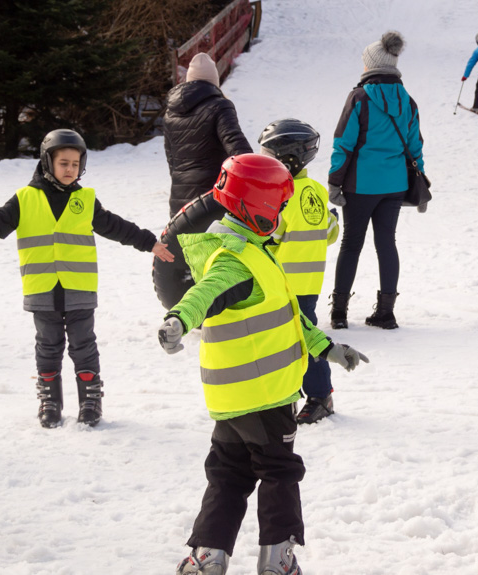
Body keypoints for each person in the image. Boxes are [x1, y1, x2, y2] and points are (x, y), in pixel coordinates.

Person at [159, 154, 368, 575]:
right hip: (266, 396)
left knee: (229, 473)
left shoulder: (254, 252)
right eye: (277, 206)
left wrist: (327, 348)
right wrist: (179, 319)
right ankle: (279, 557)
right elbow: (207, 294)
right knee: (280, 471)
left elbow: (290, 317)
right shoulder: (235, 259)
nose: (279, 215)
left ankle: (208, 556)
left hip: (234, 398)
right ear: (258, 206)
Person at [0, 129, 175, 428]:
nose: (70, 169)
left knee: (83, 344)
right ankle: (49, 401)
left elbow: (115, 226)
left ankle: (91, 400)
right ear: (48, 162)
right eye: (64, 163)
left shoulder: (85, 199)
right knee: (47, 345)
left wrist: (148, 241)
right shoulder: (25, 198)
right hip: (41, 289)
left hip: (79, 288)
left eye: (76, 164)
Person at [328, 31, 425, 330]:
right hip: (394, 186)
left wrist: (334, 182)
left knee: (351, 245)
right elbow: (416, 146)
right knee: (387, 244)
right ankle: (386, 312)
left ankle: (339, 312)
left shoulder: (359, 97)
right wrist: (418, 184)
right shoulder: (408, 101)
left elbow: (343, 142)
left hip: (360, 186)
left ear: (370, 65)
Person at [259, 118, 341, 424]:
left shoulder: (283, 195)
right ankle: (295, 394)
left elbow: (269, 236)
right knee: (299, 338)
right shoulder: (317, 192)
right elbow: (331, 233)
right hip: (307, 282)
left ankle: (320, 396)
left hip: (283, 281)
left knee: (303, 340)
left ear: (288, 158)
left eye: (269, 157)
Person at [163, 52, 253, 217]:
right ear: (214, 81)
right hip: (213, 197)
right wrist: (256, 172)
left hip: (179, 200)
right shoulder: (220, 106)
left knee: (187, 243)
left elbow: (172, 160)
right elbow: (235, 144)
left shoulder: (171, 112)